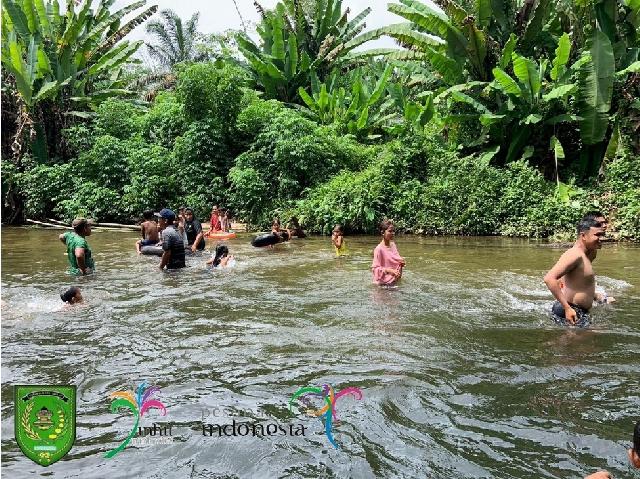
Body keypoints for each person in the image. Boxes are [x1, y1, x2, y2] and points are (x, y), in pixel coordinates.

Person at [544, 218, 606, 327]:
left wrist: (595, 296)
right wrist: (567, 308)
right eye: (598, 235)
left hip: (578, 310)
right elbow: (549, 279)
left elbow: (578, 279)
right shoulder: (574, 255)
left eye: (602, 235)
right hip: (570, 310)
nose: (602, 238)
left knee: (584, 341)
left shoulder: (590, 253)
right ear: (583, 236)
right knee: (580, 342)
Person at [371, 219, 405, 286]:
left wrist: (401, 262)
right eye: (390, 231)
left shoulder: (393, 245)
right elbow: (375, 269)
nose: (393, 233)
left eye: (393, 231)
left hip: (394, 281)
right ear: (382, 232)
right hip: (383, 285)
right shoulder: (379, 249)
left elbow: (396, 260)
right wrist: (389, 270)